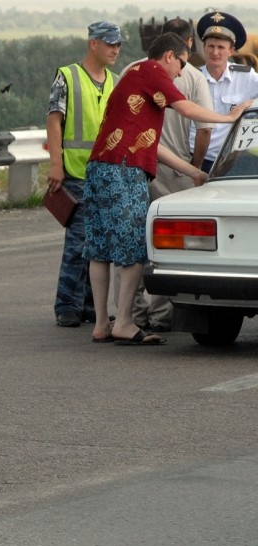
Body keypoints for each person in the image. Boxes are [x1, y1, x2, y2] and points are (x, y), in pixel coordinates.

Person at [83, 32, 252, 345]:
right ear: (170, 56)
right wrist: (229, 117)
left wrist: (193, 173)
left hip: (101, 168)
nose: (181, 74)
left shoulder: (134, 76)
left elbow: (153, 146)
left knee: (99, 248)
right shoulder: (153, 72)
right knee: (134, 248)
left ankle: (101, 325)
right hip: (124, 170)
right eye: (182, 64)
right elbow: (188, 109)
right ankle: (123, 323)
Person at [124, 18, 215, 332]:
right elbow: (204, 129)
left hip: (134, 167)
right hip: (174, 170)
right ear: (187, 44)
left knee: (132, 241)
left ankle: (132, 314)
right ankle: (162, 316)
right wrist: (194, 166)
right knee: (169, 245)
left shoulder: (132, 70)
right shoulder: (192, 77)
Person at [46, 21, 122, 328]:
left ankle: (90, 305)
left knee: (99, 244)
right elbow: (54, 121)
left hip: (106, 173)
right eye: (110, 44)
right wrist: (56, 164)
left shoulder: (115, 81)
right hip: (77, 173)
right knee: (78, 243)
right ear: (94, 44)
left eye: (118, 45)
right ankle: (66, 303)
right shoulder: (67, 77)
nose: (116, 50)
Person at [190, 11, 258, 173]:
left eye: (221, 47)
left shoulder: (246, 76)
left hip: (231, 161)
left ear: (232, 51)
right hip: (192, 159)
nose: (215, 52)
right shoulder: (191, 78)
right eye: (211, 46)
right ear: (203, 48)